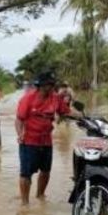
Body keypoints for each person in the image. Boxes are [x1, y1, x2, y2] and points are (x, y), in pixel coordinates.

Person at [15, 71, 79, 206]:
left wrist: (84, 116)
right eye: (50, 84)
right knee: (26, 173)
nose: (52, 87)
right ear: (42, 85)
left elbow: (66, 111)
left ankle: (40, 196)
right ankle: (25, 203)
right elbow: (19, 119)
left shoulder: (55, 98)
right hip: (29, 141)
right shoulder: (28, 99)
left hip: (46, 141)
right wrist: (20, 134)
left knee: (45, 171)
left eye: (52, 84)